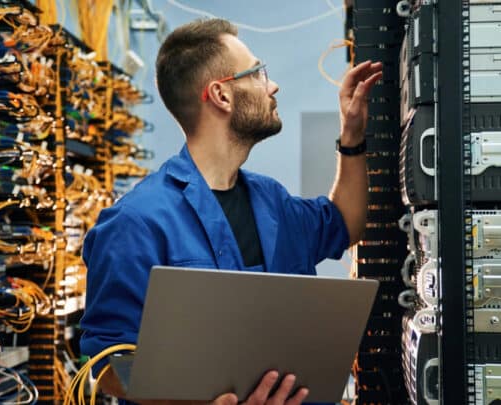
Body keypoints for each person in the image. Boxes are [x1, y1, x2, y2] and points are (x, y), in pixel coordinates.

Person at [80, 18, 382, 405]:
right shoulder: (136, 222)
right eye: (258, 74)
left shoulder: (272, 200)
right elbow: (107, 362)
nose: (272, 86)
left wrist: (352, 135)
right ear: (221, 95)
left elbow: (346, 223)